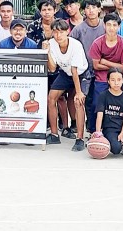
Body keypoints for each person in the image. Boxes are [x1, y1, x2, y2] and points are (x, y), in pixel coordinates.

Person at [44, 20, 87, 148]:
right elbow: (52, 68)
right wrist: (46, 52)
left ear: (67, 32)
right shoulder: (51, 43)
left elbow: (74, 70)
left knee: (78, 101)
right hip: (65, 73)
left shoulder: (76, 45)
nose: (58, 35)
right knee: (51, 98)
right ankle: (54, 134)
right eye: (55, 32)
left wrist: (79, 92)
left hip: (81, 73)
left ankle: (79, 138)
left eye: (61, 32)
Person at [72, 0, 105, 132]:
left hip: (104, 70)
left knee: (101, 102)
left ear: (99, 9)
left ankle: (103, 129)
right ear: (84, 10)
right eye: (88, 8)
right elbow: (71, 47)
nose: (91, 11)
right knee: (88, 102)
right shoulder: (78, 29)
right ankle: (90, 130)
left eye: (94, 7)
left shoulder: (106, 26)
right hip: (84, 71)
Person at [93, 68, 123, 156]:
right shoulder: (103, 95)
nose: (116, 83)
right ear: (108, 81)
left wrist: (122, 134)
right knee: (116, 149)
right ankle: (115, 143)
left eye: (119, 80)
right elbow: (100, 114)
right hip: (110, 129)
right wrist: (98, 132)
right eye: (113, 80)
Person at [89, 13, 123, 105]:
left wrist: (105, 62)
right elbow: (96, 66)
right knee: (98, 105)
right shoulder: (97, 43)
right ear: (104, 25)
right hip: (102, 79)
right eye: (109, 25)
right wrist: (116, 66)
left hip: (120, 77)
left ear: (119, 26)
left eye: (115, 25)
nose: (111, 28)